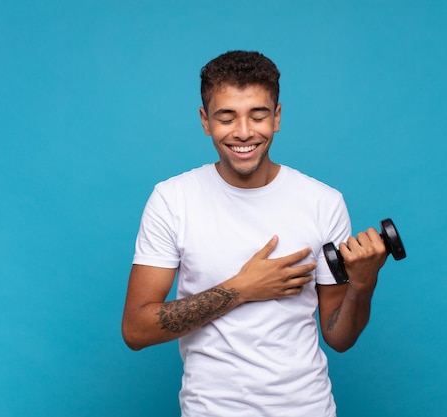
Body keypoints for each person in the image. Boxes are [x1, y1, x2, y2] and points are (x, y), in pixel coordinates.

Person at [121, 50, 388, 417]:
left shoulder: (323, 202)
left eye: (258, 115)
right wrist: (242, 289)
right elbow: (136, 330)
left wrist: (362, 285)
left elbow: (338, 338)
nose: (244, 132)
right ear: (205, 120)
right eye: (226, 117)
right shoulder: (172, 199)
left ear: (276, 117)